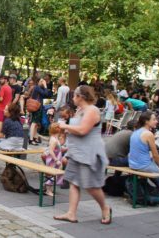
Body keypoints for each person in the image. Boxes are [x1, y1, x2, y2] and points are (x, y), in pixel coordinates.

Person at [54, 85, 112, 225]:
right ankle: (71, 213)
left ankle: (105, 208)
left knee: (90, 185)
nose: (73, 98)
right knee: (74, 182)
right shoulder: (80, 110)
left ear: (81, 97)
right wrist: (67, 132)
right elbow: (77, 129)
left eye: (74, 96)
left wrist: (65, 127)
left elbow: (83, 130)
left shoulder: (92, 110)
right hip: (77, 151)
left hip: (89, 152)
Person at [0, 103, 24, 174]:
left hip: (12, 142)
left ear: (10, 112)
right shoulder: (18, 121)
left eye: (6, 109)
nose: (4, 110)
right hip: (19, 144)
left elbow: (1, 135)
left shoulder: (7, 121)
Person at [42, 123, 65, 196]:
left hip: (54, 158)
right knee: (51, 174)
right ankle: (48, 190)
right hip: (53, 159)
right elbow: (51, 151)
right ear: (58, 130)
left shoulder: (54, 138)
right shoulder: (54, 140)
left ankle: (47, 188)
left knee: (51, 174)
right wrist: (56, 160)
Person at [28, 78, 50, 145]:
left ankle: (34, 137)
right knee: (34, 123)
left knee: (36, 124)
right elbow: (45, 94)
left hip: (39, 107)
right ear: (38, 82)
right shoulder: (37, 87)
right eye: (41, 81)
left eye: (44, 81)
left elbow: (48, 94)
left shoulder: (40, 88)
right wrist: (45, 86)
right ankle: (31, 139)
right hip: (36, 107)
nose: (43, 83)